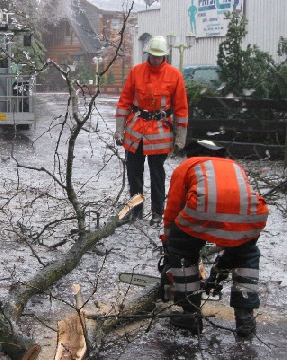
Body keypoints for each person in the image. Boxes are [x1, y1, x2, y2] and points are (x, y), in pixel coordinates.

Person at [162, 140, 269, 337]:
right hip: (252, 214)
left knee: (184, 250)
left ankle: (190, 314)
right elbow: (230, 205)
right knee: (246, 255)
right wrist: (222, 266)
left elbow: (174, 205)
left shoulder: (188, 165)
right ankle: (245, 317)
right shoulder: (235, 166)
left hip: (202, 209)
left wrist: (169, 242)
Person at [114, 35, 188, 225]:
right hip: (136, 129)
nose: (155, 59)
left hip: (160, 130)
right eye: (153, 56)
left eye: (159, 56)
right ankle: (136, 209)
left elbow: (181, 108)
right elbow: (124, 102)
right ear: (148, 54)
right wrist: (119, 130)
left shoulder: (174, 75)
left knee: (157, 174)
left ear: (164, 56)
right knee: (134, 172)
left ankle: (157, 212)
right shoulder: (137, 72)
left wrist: (180, 137)